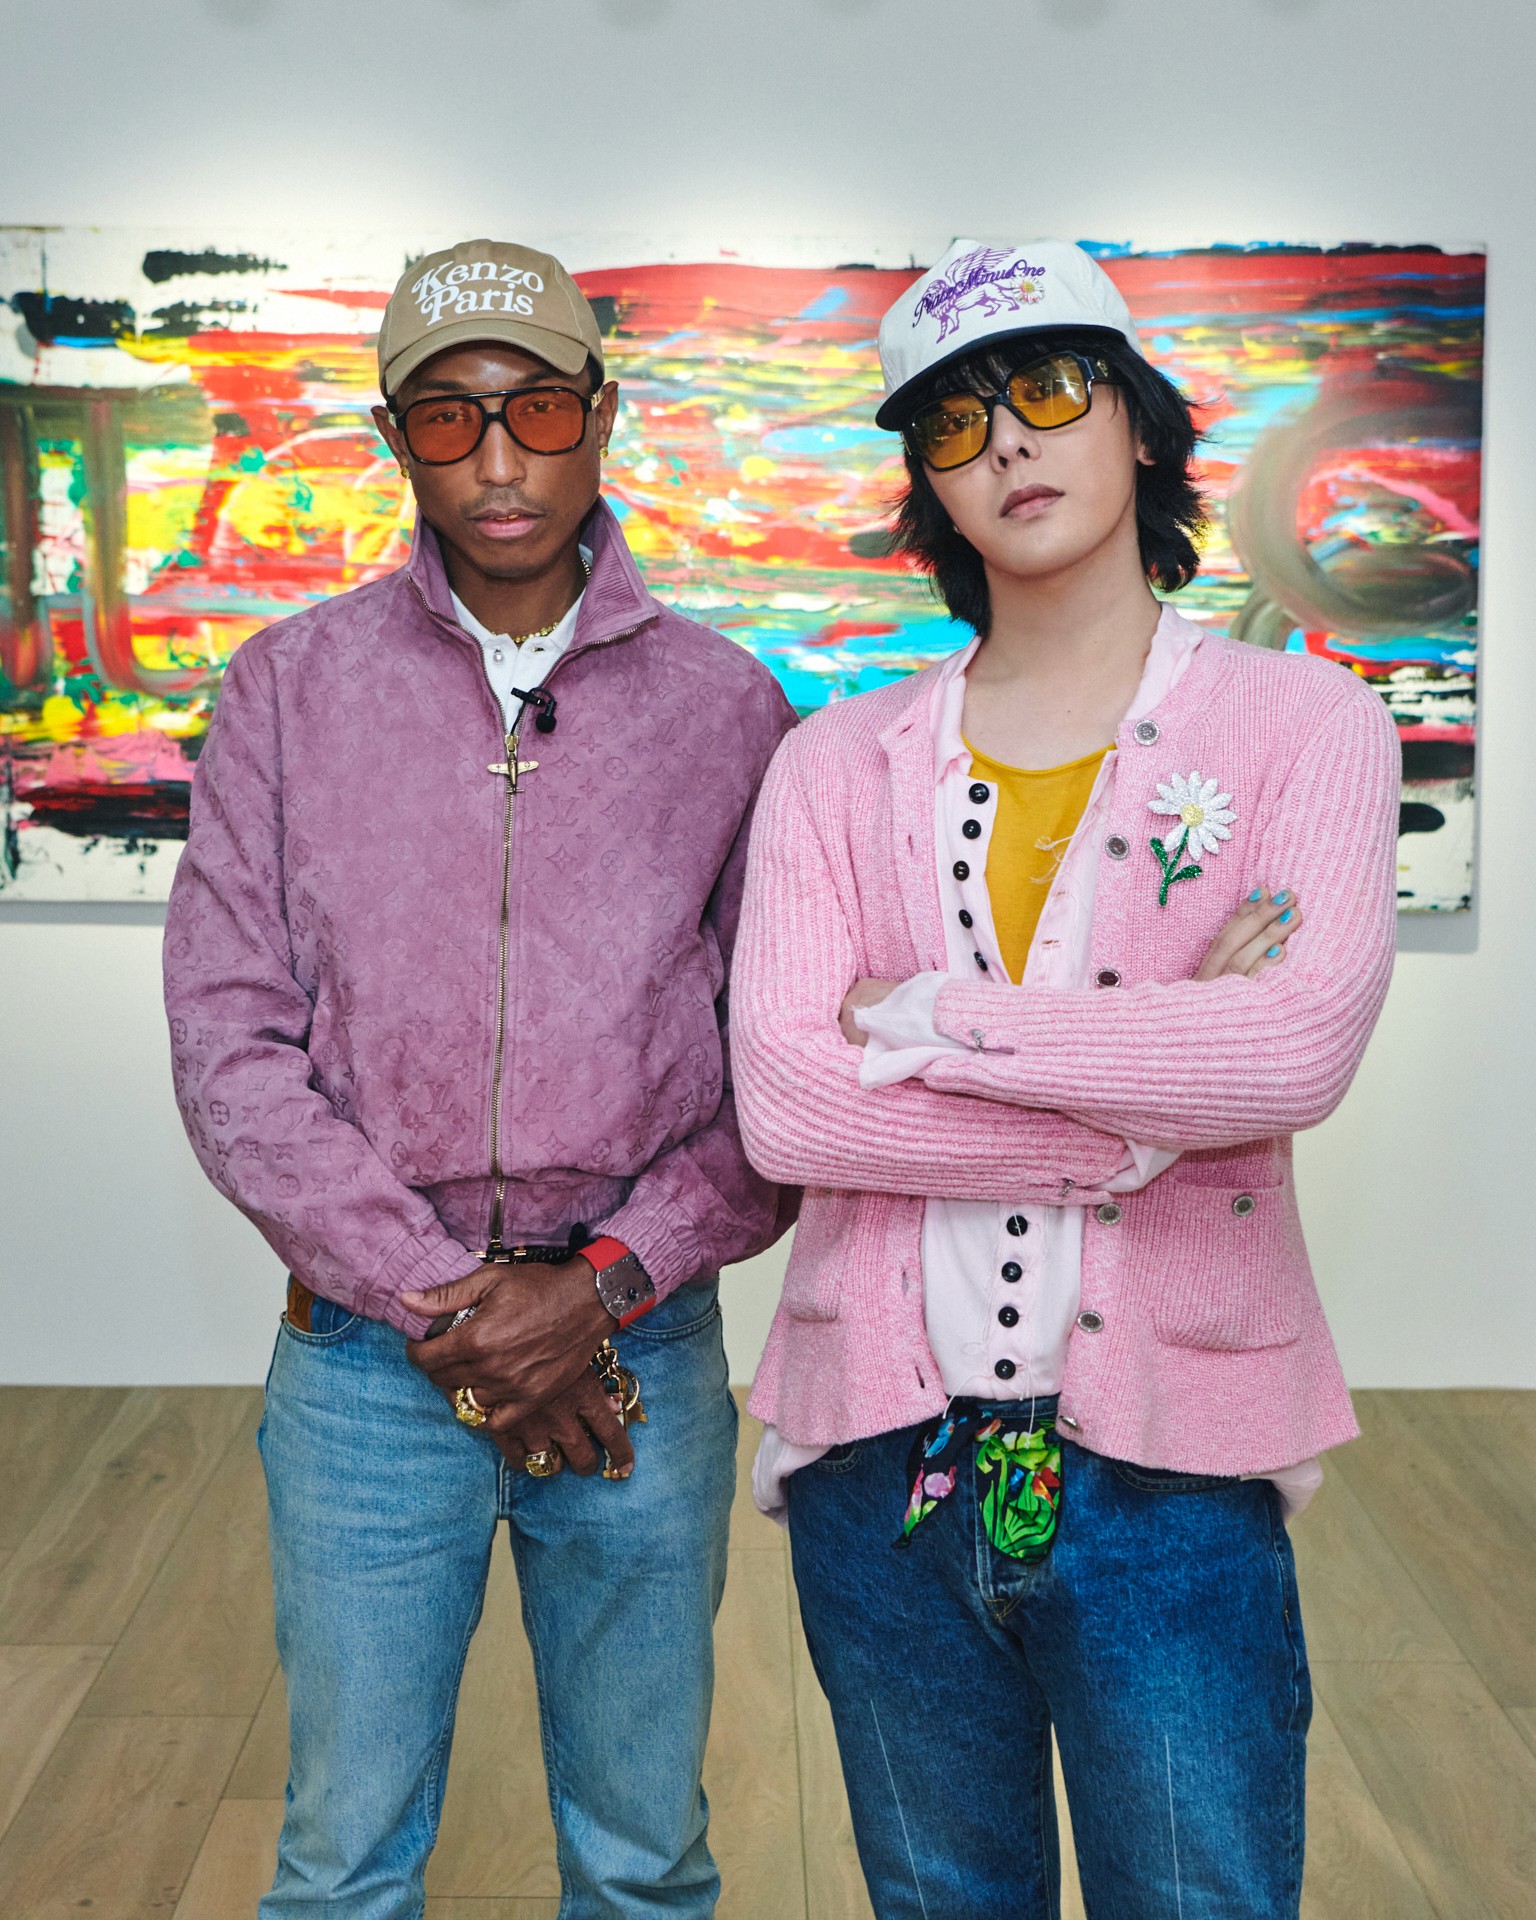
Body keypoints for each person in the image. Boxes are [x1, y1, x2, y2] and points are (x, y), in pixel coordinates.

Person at [732, 239, 1399, 1919]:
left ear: (1140, 423)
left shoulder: (1305, 728)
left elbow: (1294, 1050)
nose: (1009, 444)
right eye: (955, 424)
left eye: (1047, 390)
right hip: (883, 1466)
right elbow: (789, 1106)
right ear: (928, 485)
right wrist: (1154, 1094)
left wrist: (923, 1018)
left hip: (1173, 1476)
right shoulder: (832, 762)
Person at [164, 237, 796, 1919]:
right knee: (342, 1861)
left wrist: (601, 1286)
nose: (498, 460)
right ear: (395, 440)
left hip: (637, 1354)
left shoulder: (728, 708)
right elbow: (230, 1047)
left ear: (604, 415)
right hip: (368, 1372)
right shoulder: (289, 691)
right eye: (448, 419)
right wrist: (451, 1305)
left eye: (536, 410)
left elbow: (778, 1075)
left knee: (644, 1857)